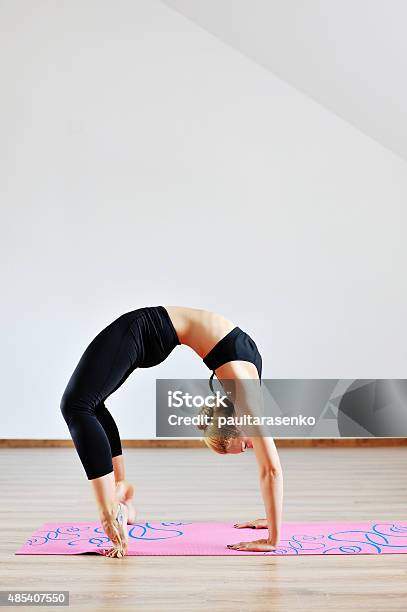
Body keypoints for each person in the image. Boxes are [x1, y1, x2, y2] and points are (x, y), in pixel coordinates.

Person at [60, 305, 283, 557]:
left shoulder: (245, 389)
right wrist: (272, 538)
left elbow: (270, 468)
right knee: (78, 406)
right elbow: (271, 470)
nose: (252, 445)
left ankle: (121, 494)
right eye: (244, 446)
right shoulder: (245, 396)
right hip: (143, 328)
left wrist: (272, 520)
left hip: (152, 333)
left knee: (85, 404)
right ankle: (110, 511)